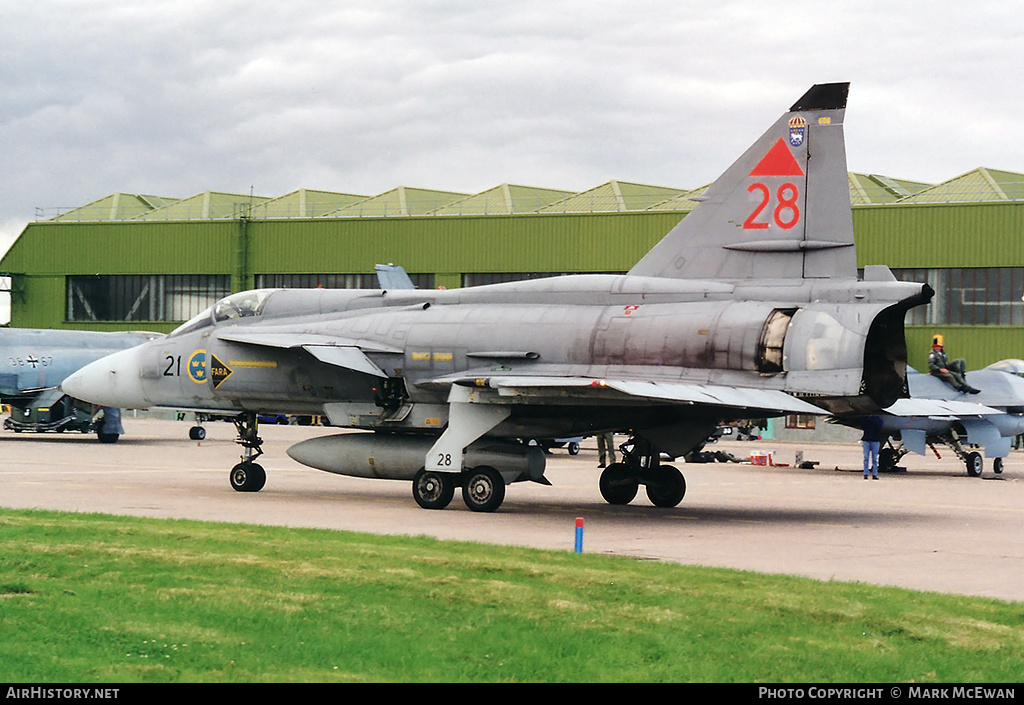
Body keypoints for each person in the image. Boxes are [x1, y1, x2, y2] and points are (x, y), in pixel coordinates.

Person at [860, 414, 884, 480]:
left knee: (874, 458)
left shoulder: (878, 419)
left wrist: (870, 418)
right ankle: (866, 474)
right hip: (867, 440)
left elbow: (879, 425)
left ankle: (874, 474)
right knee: (866, 458)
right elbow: (862, 424)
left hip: (875, 440)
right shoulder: (865, 418)